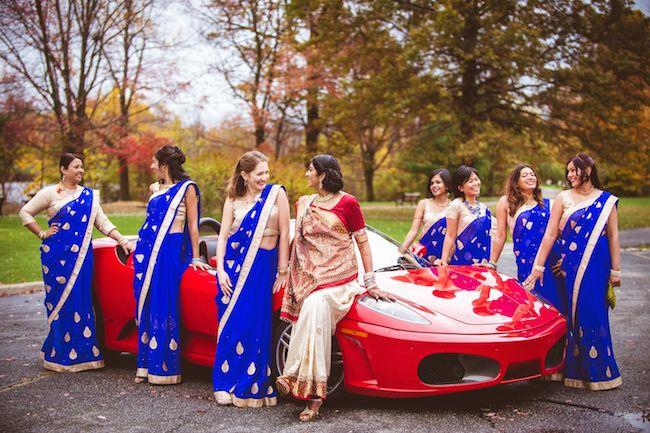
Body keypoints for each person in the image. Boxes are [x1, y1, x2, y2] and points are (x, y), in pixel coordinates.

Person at [275, 154, 393, 421]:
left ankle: (310, 391)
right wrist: (283, 270)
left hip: (342, 278)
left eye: (310, 170)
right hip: (313, 279)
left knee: (315, 305)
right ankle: (296, 379)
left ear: (323, 175)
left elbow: (362, 242)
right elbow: (298, 243)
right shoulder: (304, 204)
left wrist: (370, 281)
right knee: (312, 305)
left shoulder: (348, 203)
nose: (306, 174)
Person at [20, 153, 134, 372]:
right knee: (60, 303)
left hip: (82, 258)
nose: (81, 171)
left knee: (81, 300)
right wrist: (42, 233)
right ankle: (59, 354)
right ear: (63, 169)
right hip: (56, 257)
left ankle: (84, 354)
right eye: (76, 167)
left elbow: (102, 222)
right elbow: (25, 212)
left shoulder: (88, 196)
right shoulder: (50, 193)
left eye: (82, 167)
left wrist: (122, 240)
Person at [524, 153, 622, 390]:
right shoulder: (563, 198)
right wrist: (538, 267)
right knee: (572, 314)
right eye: (567, 171)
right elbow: (550, 234)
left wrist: (616, 270)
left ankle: (600, 372)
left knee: (593, 313)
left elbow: (613, 235)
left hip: (597, 265)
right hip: (569, 267)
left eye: (573, 170)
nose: (570, 175)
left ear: (588, 169)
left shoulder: (606, 200)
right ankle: (573, 371)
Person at [212, 151, 290, 407]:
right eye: (259, 174)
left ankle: (252, 383)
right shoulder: (232, 200)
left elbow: (285, 235)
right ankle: (224, 382)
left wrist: (282, 270)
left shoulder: (276, 194)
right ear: (245, 175)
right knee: (234, 326)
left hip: (263, 268)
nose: (265, 178)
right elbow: (222, 237)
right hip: (235, 270)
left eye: (266, 173)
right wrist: (221, 271)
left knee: (256, 325)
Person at [132, 145, 210, 385]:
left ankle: (164, 367)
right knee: (146, 304)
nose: (152, 166)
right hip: (147, 252)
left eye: (154, 162)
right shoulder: (155, 189)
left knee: (164, 304)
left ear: (164, 165)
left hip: (170, 251)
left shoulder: (187, 189)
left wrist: (196, 257)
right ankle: (145, 364)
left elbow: (193, 226)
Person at [489, 164, 566, 314]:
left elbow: (562, 233)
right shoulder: (505, 203)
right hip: (527, 263)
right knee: (533, 304)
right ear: (516, 182)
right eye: (525, 175)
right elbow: (500, 235)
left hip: (552, 262)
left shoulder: (549, 204)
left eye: (532, 174)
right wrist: (492, 262)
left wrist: (566, 258)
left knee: (558, 305)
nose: (530, 177)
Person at [439, 165, 492, 266]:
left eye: (476, 179)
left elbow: (489, 238)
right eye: (470, 181)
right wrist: (444, 260)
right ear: (460, 187)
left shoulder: (483, 208)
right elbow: (450, 235)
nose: (475, 183)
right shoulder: (456, 205)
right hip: (460, 261)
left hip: (482, 263)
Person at [399, 168, 452, 265]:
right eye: (432, 183)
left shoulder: (454, 207)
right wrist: (401, 250)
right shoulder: (423, 204)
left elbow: (453, 236)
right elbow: (413, 231)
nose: (434, 186)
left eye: (438, 182)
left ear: (447, 185)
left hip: (442, 257)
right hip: (422, 254)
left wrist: (446, 259)